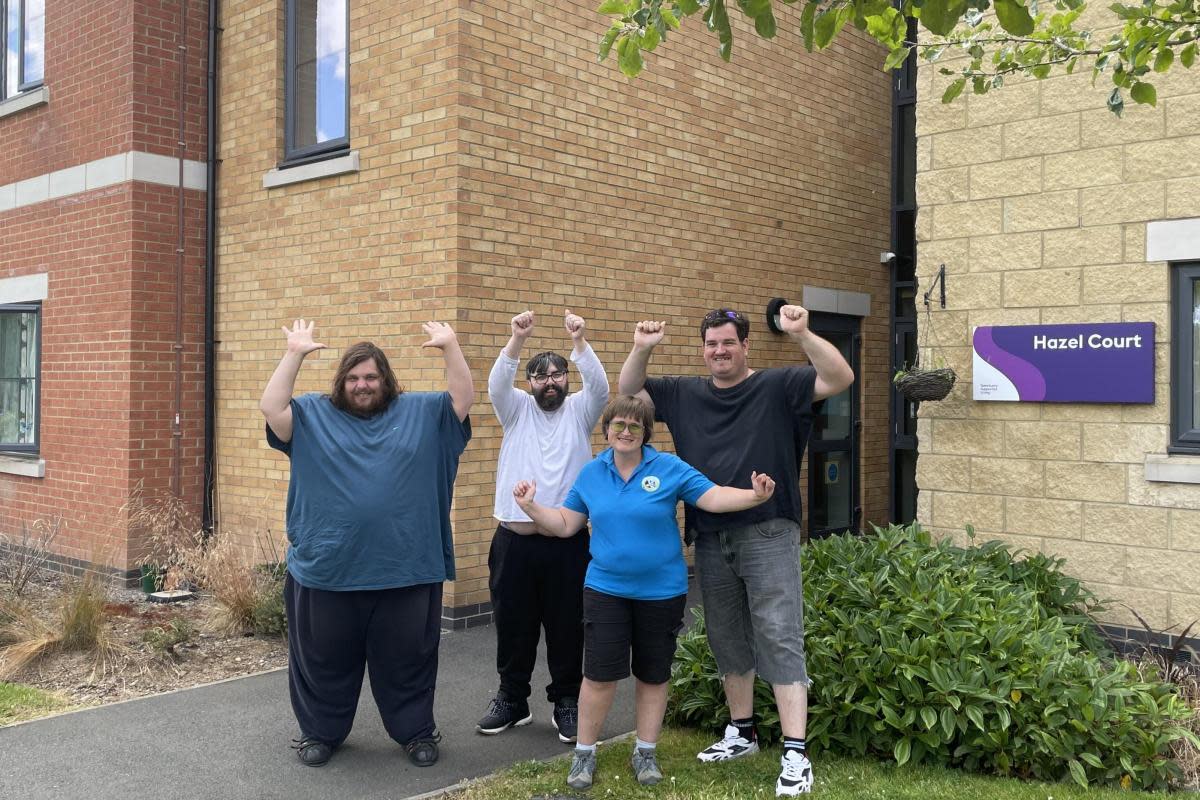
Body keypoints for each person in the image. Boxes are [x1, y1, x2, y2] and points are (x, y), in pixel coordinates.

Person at [618, 306, 854, 797]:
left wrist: (802, 333)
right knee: (727, 637)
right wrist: (642, 347)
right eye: (711, 344)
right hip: (709, 533)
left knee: (779, 634)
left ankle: (794, 752)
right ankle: (741, 733)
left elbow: (839, 375)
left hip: (768, 529)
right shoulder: (684, 393)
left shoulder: (779, 386)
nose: (719, 351)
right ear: (703, 349)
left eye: (728, 343)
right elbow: (630, 391)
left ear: (746, 345)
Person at [512, 394, 777, 791]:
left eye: (634, 426)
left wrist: (755, 495)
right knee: (599, 675)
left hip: (661, 591)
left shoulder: (668, 467)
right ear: (606, 431)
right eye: (618, 424)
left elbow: (713, 496)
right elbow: (567, 523)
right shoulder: (591, 474)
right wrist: (531, 507)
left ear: (645, 434)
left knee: (653, 674)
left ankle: (645, 751)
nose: (626, 431)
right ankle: (584, 754)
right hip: (606, 589)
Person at [259, 318, 473, 769]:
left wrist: (451, 346)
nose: (362, 385)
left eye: (371, 377)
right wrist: (294, 353)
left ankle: (415, 733)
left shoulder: (421, 412)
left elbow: (462, 399)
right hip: (327, 571)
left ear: (385, 380)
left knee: (409, 663)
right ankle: (319, 732)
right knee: (322, 662)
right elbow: (271, 408)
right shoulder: (312, 415)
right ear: (342, 381)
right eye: (354, 378)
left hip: (407, 569)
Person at [478, 308, 608, 743]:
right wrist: (516, 339)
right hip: (514, 542)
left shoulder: (580, 411)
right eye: (540, 376)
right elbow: (497, 382)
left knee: (568, 626)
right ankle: (512, 700)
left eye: (557, 374)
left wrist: (580, 341)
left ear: (566, 380)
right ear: (529, 383)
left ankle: (566, 701)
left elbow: (602, 386)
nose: (549, 381)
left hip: (567, 544)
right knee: (514, 626)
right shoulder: (514, 410)